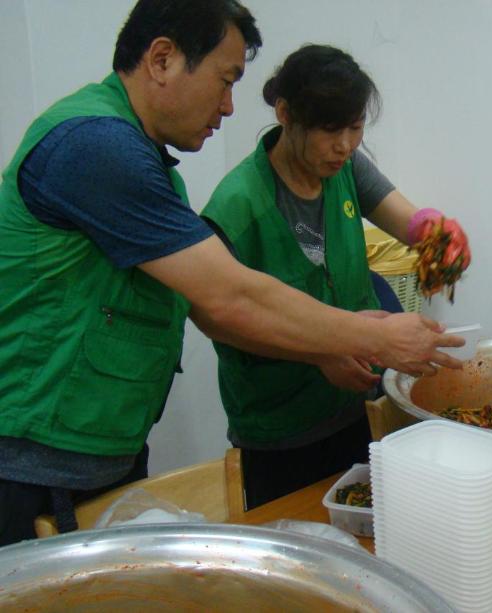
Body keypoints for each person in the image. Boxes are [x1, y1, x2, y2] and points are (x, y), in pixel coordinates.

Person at [0, 1, 462, 547]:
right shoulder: (98, 148)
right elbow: (226, 299)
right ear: (163, 59)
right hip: (39, 464)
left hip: (101, 448)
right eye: (225, 80)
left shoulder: (142, 158)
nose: (227, 107)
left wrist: (432, 232)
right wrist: (379, 335)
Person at [200, 44, 471, 509]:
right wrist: (319, 350)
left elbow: (406, 220)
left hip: (352, 409)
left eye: (355, 127)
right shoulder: (236, 206)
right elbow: (222, 321)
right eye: (329, 130)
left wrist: (436, 233)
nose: (344, 144)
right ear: (285, 114)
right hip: (278, 428)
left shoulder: (344, 169)